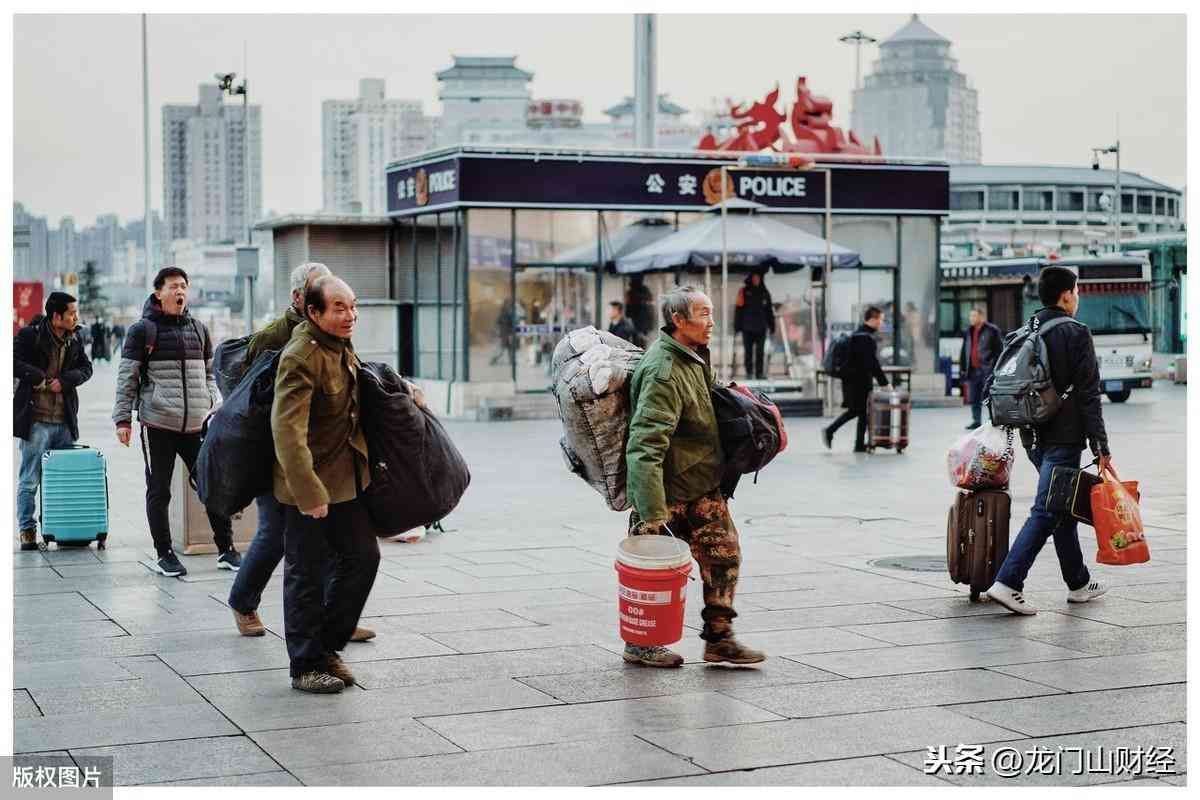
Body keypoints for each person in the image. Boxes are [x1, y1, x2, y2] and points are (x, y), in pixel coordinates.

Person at [226, 262, 377, 642]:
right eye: (333, 301)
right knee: (278, 537)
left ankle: (334, 617)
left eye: (350, 305)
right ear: (304, 301)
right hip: (275, 454)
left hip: (319, 458)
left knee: (330, 546)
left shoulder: (335, 336)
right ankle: (243, 600)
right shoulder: (280, 338)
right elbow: (254, 402)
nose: (347, 314)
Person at [624, 285, 764, 668]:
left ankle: (719, 639)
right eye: (703, 314)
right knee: (652, 576)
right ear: (678, 320)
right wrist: (652, 513)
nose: (711, 321)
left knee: (724, 557)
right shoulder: (664, 371)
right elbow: (645, 443)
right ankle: (641, 643)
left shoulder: (692, 358)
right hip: (667, 494)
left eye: (711, 312)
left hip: (701, 485)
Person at [273, 275, 381, 693]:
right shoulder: (301, 355)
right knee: (306, 574)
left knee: (363, 557)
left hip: (344, 479)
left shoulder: (340, 346)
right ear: (313, 312)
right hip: (308, 485)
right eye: (339, 307)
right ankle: (305, 665)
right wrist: (309, 492)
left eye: (353, 305)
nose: (349, 315)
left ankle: (327, 647)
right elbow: (286, 430)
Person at [986, 266, 1110, 615]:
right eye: (1077, 291)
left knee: (1062, 508)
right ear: (1067, 295)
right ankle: (1008, 582)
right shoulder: (1075, 333)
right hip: (1064, 439)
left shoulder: (1025, 330)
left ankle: (1079, 583)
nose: (1078, 298)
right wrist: (1100, 446)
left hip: (1032, 438)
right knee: (1046, 511)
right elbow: (1089, 394)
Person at [113, 266, 240, 577]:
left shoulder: (199, 329)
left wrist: (212, 400)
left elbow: (210, 373)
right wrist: (123, 420)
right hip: (158, 424)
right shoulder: (143, 330)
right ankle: (164, 554)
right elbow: (127, 376)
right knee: (159, 490)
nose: (179, 291)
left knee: (212, 485)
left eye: (183, 285)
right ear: (159, 293)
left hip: (196, 425)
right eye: (173, 286)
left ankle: (226, 549)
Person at [14, 293, 94, 551]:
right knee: (30, 479)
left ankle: (59, 526)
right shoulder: (30, 336)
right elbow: (13, 362)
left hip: (64, 421)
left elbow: (87, 368)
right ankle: (27, 530)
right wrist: (38, 377)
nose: (76, 317)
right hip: (36, 420)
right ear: (56, 316)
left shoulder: (75, 338)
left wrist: (67, 380)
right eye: (71, 313)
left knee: (62, 479)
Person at [822, 306, 892, 453]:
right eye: (880, 320)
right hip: (857, 382)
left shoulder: (860, 334)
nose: (882, 323)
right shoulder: (864, 337)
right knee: (856, 411)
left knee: (862, 412)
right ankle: (830, 430)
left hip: (855, 381)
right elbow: (872, 363)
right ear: (872, 320)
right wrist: (885, 383)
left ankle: (859, 444)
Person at [960, 307, 1003, 430]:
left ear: (981, 317)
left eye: (974, 316)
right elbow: (964, 350)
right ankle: (976, 420)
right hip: (972, 370)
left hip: (987, 370)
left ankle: (993, 419)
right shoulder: (968, 331)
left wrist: (995, 368)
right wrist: (963, 368)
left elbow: (999, 351)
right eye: (970, 316)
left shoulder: (992, 330)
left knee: (990, 396)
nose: (971, 318)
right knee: (974, 397)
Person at [733, 272, 775, 380]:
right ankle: (749, 373)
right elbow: (738, 310)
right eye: (754, 278)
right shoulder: (744, 291)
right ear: (751, 278)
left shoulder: (765, 292)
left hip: (761, 327)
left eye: (758, 278)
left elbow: (769, 311)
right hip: (747, 327)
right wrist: (737, 326)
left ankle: (760, 373)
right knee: (748, 351)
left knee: (760, 351)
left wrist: (772, 325)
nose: (756, 280)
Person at [625, 275, 655, 340]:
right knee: (636, 338)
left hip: (642, 319)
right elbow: (628, 305)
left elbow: (650, 300)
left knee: (641, 339)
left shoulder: (644, 290)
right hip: (635, 318)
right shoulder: (631, 292)